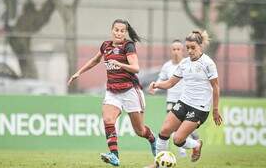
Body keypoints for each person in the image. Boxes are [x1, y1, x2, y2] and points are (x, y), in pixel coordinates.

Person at [68, 19, 156, 167]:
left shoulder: (128, 46)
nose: (119, 33)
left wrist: (120, 64)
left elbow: (136, 68)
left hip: (130, 91)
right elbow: (95, 60)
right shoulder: (106, 45)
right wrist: (78, 72)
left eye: (122, 31)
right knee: (108, 120)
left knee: (140, 131)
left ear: (125, 32)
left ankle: (153, 140)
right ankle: (114, 156)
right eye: (116, 30)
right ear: (112, 30)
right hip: (112, 91)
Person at [148, 30, 222, 163]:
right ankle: (157, 164)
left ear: (200, 46)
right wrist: (156, 85)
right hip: (184, 102)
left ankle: (196, 144)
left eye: (193, 47)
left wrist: (215, 110)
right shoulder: (184, 63)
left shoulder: (208, 63)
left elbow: (216, 87)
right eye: (187, 48)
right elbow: (171, 83)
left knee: (177, 139)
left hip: (200, 108)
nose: (190, 50)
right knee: (164, 131)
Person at [149, 39, 200, 158]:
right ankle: (181, 150)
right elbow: (161, 79)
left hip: (187, 101)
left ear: (183, 51)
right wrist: (155, 88)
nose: (176, 51)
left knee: (182, 128)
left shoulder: (188, 64)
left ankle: (192, 139)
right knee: (171, 127)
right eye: (174, 49)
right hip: (171, 100)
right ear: (171, 51)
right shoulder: (167, 66)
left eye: (178, 49)